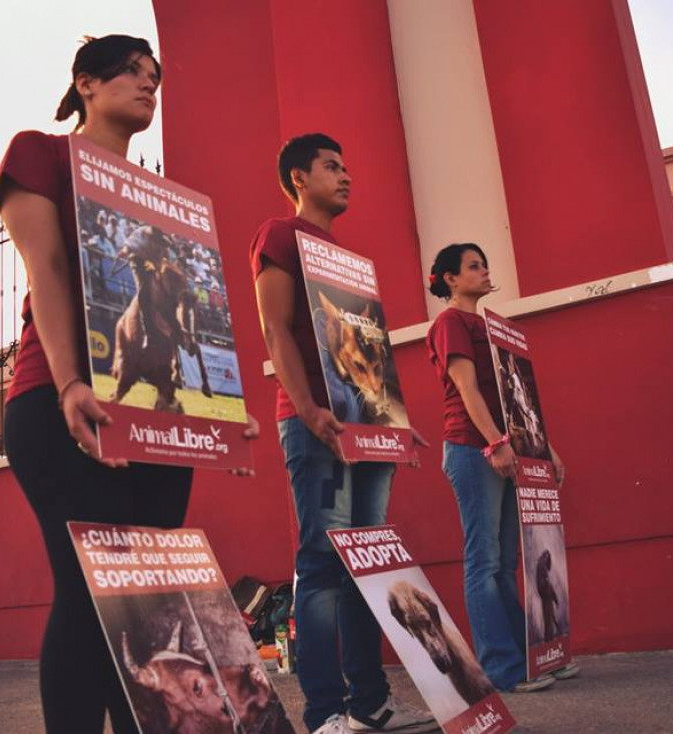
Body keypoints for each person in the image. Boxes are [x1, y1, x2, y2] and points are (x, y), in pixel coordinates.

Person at [0, 35, 258, 733]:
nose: (149, 84)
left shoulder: (162, 203)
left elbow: (189, 319)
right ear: (86, 83)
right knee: (88, 597)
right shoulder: (40, 154)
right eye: (133, 73)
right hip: (61, 405)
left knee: (146, 603)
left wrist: (219, 421)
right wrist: (69, 384)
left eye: (156, 76)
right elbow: (47, 269)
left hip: (153, 426)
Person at [251, 133, 436, 734]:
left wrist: (395, 426)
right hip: (315, 427)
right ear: (299, 177)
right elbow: (276, 330)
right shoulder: (280, 235)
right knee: (323, 563)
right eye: (332, 166)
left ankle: (370, 704)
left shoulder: (347, 262)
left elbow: (366, 354)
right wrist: (307, 411)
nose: (346, 175)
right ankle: (326, 712)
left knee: (370, 565)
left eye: (347, 165)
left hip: (366, 432)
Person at [425, 242, 577, 693]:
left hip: (507, 450)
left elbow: (517, 399)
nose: (483, 271)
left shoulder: (493, 327)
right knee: (484, 560)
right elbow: (467, 389)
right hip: (473, 451)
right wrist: (495, 442)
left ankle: (529, 659)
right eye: (473, 266)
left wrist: (546, 448)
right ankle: (502, 668)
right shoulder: (451, 322)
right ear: (450, 278)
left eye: (484, 264)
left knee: (508, 561)